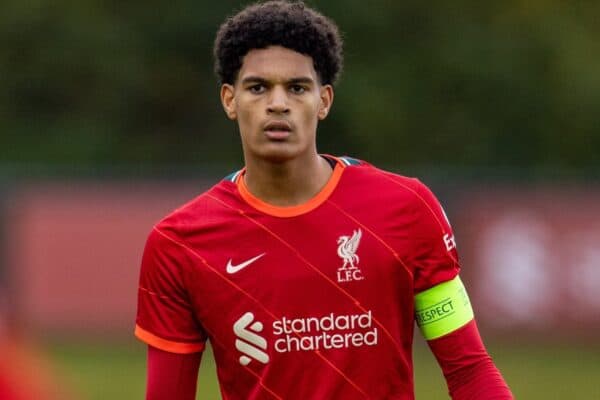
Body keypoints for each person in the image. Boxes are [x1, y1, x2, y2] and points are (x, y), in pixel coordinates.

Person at [134, 1, 514, 399]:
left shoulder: (406, 207)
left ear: (324, 100)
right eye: (258, 87)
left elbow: (469, 370)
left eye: (297, 88)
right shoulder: (179, 243)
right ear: (230, 100)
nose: (278, 103)